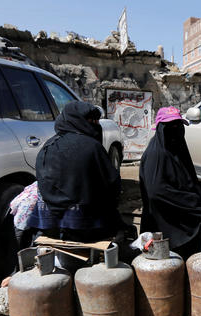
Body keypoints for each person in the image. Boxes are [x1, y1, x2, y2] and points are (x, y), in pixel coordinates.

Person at [26, 101, 130, 272]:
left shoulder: (48, 146)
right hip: (84, 225)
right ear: (76, 121)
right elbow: (113, 186)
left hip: (48, 222)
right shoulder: (92, 147)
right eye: (91, 121)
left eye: (97, 121)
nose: (96, 126)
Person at [140, 106, 201, 258]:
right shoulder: (156, 155)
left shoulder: (177, 150)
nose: (175, 130)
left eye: (178, 125)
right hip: (170, 222)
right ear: (161, 128)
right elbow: (157, 193)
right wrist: (196, 206)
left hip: (185, 213)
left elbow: (190, 185)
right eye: (170, 126)